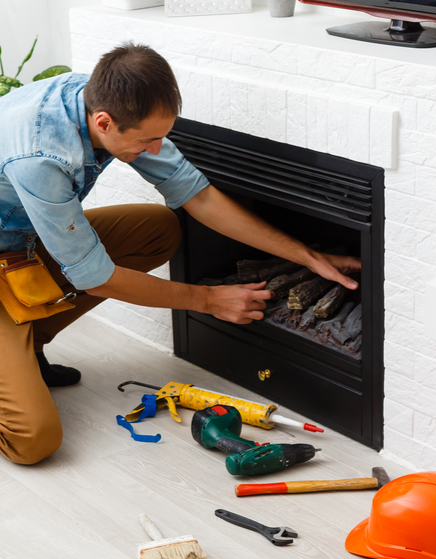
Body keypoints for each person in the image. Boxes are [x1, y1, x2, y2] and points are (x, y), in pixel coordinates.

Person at [0, 42, 360, 466]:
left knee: (157, 229)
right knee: (34, 440)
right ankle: (13, 351)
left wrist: (307, 255)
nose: (156, 149)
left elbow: (196, 195)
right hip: (10, 256)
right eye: (148, 141)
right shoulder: (40, 155)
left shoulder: (104, 97)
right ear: (105, 122)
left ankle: (26, 344)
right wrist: (207, 300)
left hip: (20, 246)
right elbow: (94, 277)